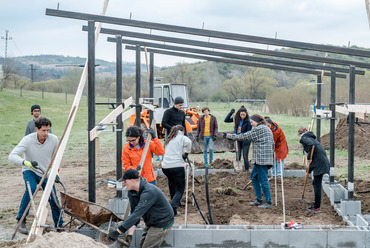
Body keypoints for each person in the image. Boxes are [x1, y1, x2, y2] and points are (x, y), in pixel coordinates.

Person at [9, 117, 63, 234]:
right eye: (43, 130)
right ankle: (20, 221)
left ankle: (59, 225)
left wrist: (56, 173)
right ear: (36, 129)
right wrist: (26, 162)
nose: (46, 133)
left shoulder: (53, 139)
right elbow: (12, 156)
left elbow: (56, 158)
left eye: (48, 130)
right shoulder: (27, 140)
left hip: (46, 172)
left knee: (53, 197)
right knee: (31, 189)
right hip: (30, 170)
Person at [108, 169, 174, 248]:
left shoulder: (149, 192)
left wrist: (118, 231)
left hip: (162, 222)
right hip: (151, 221)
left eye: (125, 181)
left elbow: (137, 214)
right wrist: (130, 235)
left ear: (132, 180)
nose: (124, 184)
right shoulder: (132, 192)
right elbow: (134, 213)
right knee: (142, 245)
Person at [224, 114, 274, 208]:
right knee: (254, 177)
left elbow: (245, 136)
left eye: (252, 122)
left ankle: (268, 202)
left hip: (262, 159)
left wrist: (229, 136)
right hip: (262, 158)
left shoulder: (259, 129)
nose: (251, 124)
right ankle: (259, 199)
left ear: (257, 121)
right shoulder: (265, 128)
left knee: (263, 180)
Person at [161, 125, 192, 216]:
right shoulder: (181, 137)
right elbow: (189, 142)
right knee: (180, 189)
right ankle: (171, 207)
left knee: (172, 186)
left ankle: (173, 211)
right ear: (182, 131)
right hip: (177, 166)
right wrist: (186, 153)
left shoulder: (169, 139)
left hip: (166, 167)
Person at [298, 127, 329, 213]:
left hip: (320, 164)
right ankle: (316, 205)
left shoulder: (304, 138)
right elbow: (314, 156)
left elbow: (311, 150)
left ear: (299, 135)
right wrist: (309, 171)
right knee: (316, 183)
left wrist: (308, 158)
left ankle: (316, 207)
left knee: (317, 185)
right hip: (321, 163)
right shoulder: (310, 138)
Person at [224, 106, 252, 171]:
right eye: (241, 114)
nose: (242, 116)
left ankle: (247, 170)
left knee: (245, 156)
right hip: (237, 140)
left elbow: (248, 132)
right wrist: (230, 113)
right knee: (238, 156)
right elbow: (226, 120)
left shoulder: (248, 121)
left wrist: (241, 136)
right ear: (239, 114)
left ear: (246, 114)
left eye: (244, 115)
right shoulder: (236, 118)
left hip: (246, 140)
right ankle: (238, 169)